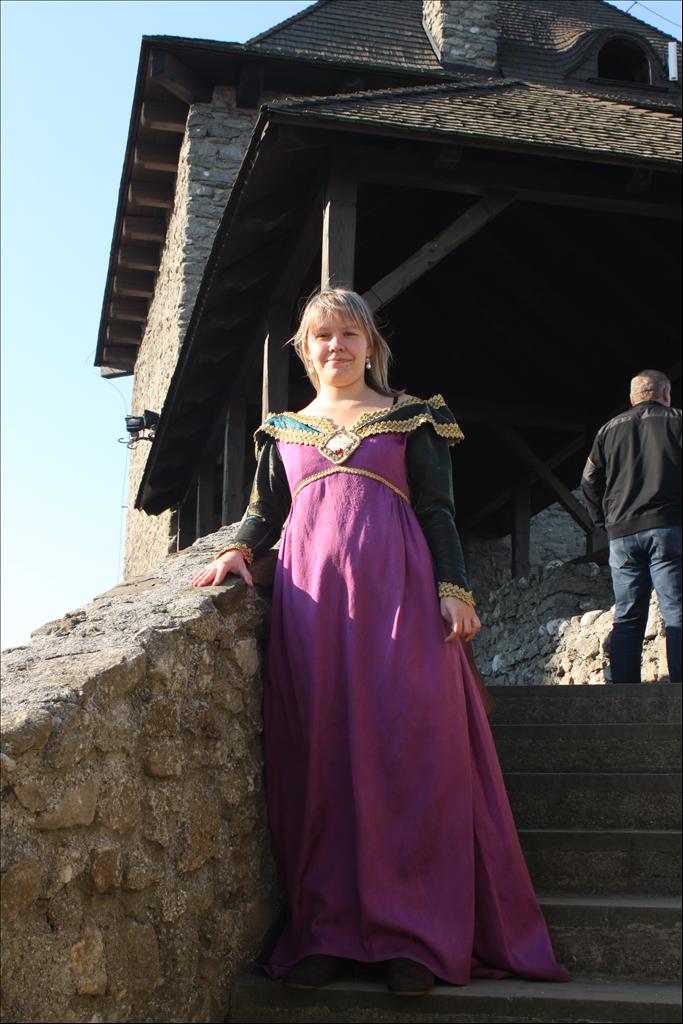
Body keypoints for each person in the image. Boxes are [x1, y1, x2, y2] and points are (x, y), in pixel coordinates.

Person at [192, 288, 569, 994]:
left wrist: (453, 590)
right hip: (312, 616)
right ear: (306, 351)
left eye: (348, 334)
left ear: (370, 344)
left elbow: (437, 509)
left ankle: (415, 937)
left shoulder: (410, 416)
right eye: (322, 336)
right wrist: (237, 550)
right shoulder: (283, 431)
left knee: (410, 755)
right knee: (321, 761)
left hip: (402, 602)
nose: (336, 346)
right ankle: (327, 932)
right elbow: (262, 512)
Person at [581, 369, 682, 684]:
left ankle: (624, 692)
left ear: (632, 398)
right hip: (668, 527)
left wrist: (603, 522)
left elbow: (588, 480)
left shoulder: (608, 430)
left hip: (622, 535)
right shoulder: (678, 420)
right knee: (676, 609)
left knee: (627, 614)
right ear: (665, 394)